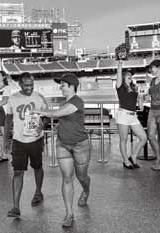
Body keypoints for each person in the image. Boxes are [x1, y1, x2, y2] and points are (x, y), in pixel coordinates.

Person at [33, 73, 91, 227]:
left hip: (80, 145)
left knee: (82, 177)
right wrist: (46, 125)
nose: (60, 87)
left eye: (63, 85)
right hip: (63, 144)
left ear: (71, 86)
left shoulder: (77, 101)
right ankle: (69, 214)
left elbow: (57, 114)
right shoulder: (65, 103)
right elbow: (63, 119)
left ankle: (86, 190)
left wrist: (40, 112)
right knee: (67, 178)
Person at [5, 72, 47, 218]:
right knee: (17, 172)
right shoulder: (13, 98)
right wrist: (6, 141)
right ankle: (15, 206)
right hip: (18, 141)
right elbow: (8, 120)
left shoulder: (39, 98)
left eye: (32, 85)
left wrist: (43, 125)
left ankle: (38, 192)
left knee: (38, 167)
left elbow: (47, 116)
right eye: (26, 85)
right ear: (20, 84)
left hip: (36, 140)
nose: (29, 87)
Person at [115, 60, 147, 169]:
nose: (130, 76)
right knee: (124, 139)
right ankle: (125, 161)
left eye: (131, 75)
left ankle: (133, 157)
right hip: (123, 115)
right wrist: (120, 63)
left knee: (143, 137)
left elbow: (141, 107)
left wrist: (140, 99)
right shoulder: (120, 87)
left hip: (133, 116)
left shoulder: (134, 88)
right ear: (123, 77)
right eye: (127, 75)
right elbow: (118, 74)